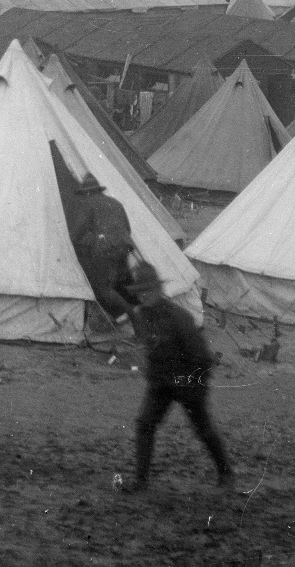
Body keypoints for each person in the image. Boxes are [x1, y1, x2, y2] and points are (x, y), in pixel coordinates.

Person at [117, 264, 233, 493]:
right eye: (140, 292)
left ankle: (226, 474)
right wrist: (154, 376)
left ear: (159, 290)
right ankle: (141, 482)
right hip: (162, 382)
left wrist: (194, 385)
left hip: (189, 381)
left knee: (202, 428)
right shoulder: (142, 316)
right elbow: (151, 349)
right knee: (144, 424)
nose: (144, 296)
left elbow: (202, 357)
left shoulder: (179, 317)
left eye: (148, 290)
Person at [68, 173, 137, 322]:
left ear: (87, 192)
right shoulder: (116, 203)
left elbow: (76, 234)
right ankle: (123, 314)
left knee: (102, 288)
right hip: (125, 247)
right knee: (118, 282)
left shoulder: (88, 204)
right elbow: (127, 229)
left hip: (107, 250)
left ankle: (131, 314)